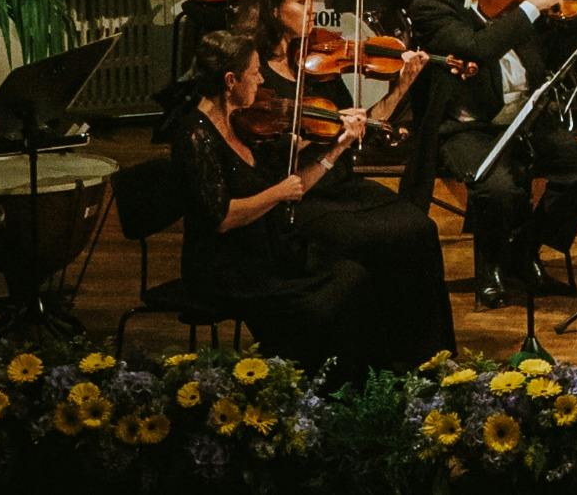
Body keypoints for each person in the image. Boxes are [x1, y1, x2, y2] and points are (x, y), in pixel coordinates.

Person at [221, 0, 450, 363]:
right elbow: (258, 153)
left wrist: (402, 86)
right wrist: (312, 138)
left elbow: (368, 123)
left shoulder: (318, 61)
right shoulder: (255, 75)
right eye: (301, 0)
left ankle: (425, 357)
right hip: (300, 195)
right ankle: (374, 356)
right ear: (274, 10)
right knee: (381, 240)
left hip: (341, 185)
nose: (314, 9)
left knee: (420, 227)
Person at [170, 31, 416, 374]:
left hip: (266, 251)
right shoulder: (194, 135)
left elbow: (295, 185)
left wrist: (338, 146)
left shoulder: (244, 121)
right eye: (254, 72)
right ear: (230, 81)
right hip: (227, 270)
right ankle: (317, 387)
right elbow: (222, 217)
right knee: (328, 302)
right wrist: (278, 193)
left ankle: (362, 386)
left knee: (355, 275)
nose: (260, 79)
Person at [407, 0, 577, 305]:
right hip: (468, 126)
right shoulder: (431, 5)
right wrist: (530, 7)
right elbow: (479, 47)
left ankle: (524, 249)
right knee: (497, 189)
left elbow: (550, 54)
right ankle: (491, 267)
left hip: (524, 115)